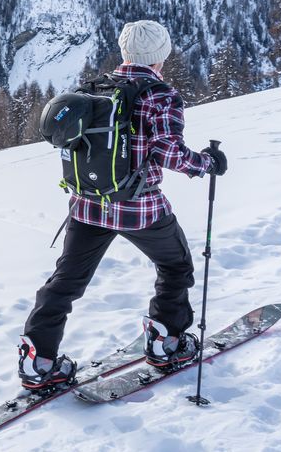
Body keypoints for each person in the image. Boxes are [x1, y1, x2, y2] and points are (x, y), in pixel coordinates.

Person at [17, 20, 228, 390]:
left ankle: (39, 360)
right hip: (138, 207)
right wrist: (206, 163)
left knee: (66, 282)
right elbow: (167, 152)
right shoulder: (160, 95)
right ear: (160, 55)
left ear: (125, 51)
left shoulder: (97, 87)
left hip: (87, 205)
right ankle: (167, 341)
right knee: (176, 265)